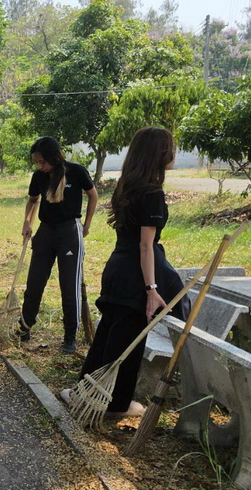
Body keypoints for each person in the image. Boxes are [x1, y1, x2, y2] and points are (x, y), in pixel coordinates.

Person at [62, 127, 188, 418]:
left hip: (118, 268)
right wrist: (151, 289)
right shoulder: (152, 194)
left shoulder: (127, 186)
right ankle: (115, 404)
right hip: (135, 276)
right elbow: (145, 246)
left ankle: (83, 392)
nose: (174, 154)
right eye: (171, 148)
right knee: (127, 343)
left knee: (109, 335)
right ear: (159, 153)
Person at [16, 137, 98, 354]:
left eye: (42, 162)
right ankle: (25, 326)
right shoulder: (38, 176)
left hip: (69, 231)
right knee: (34, 282)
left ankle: (70, 336)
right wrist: (27, 222)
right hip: (45, 231)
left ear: (53, 157)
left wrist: (86, 225)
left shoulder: (76, 171)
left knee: (68, 286)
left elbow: (93, 196)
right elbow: (33, 200)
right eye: (36, 162)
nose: (39, 166)